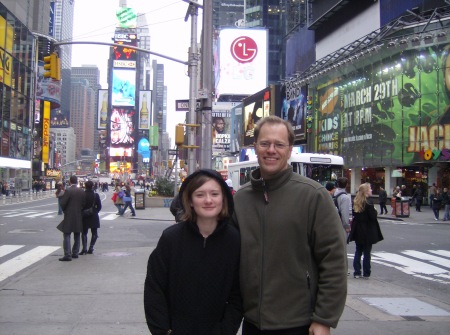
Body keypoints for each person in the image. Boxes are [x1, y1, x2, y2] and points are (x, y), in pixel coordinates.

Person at [232, 116, 347, 335]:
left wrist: (324, 318)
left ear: (290, 149)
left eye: (279, 144)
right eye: (265, 143)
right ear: (255, 147)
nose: (271, 150)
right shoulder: (241, 199)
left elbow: (333, 261)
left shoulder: (313, 196)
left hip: (299, 323)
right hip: (252, 323)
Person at [144, 169, 242, 334]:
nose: (208, 200)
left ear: (224, 198)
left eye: (214, 194)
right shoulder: (171, 239)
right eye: (200, 195)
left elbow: (238, 294)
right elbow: (154, 289)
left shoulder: (234, 240)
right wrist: (164, 331)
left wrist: (225, 330)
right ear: (189, 201)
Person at [349, 183, 384, 279]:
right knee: (367, 252)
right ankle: (366, 272)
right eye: (370, 189)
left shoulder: (356, 201)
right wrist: (374, 210)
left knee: (358, 251)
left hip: (358, 230)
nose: (371, 190)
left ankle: (356, 272)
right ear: (366, 192)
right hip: (367, 230)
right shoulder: (369, 203)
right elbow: (373, 217)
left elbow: (355, 215)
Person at [57, 175, 86, 262]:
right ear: (77, 181)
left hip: (69, 214)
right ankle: (75, 253)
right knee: (77, 234)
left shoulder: (68, 190)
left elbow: (63, 203)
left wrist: (65, 210)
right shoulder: (81, 190)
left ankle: (67, 254)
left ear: (70, 181)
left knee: (66, 234)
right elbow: (84, 203)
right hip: (78, 214)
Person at [80, 180, 102, 255]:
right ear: (92, 186)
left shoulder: (82, 195)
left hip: (84, 215)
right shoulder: (96, 195)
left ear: (85, 186)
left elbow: (80, 206)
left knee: (84, 232)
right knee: (94, 232)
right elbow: (99, 206)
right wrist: (95, 211)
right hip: (94, 215)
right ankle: (91, 247)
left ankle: (84, 248)